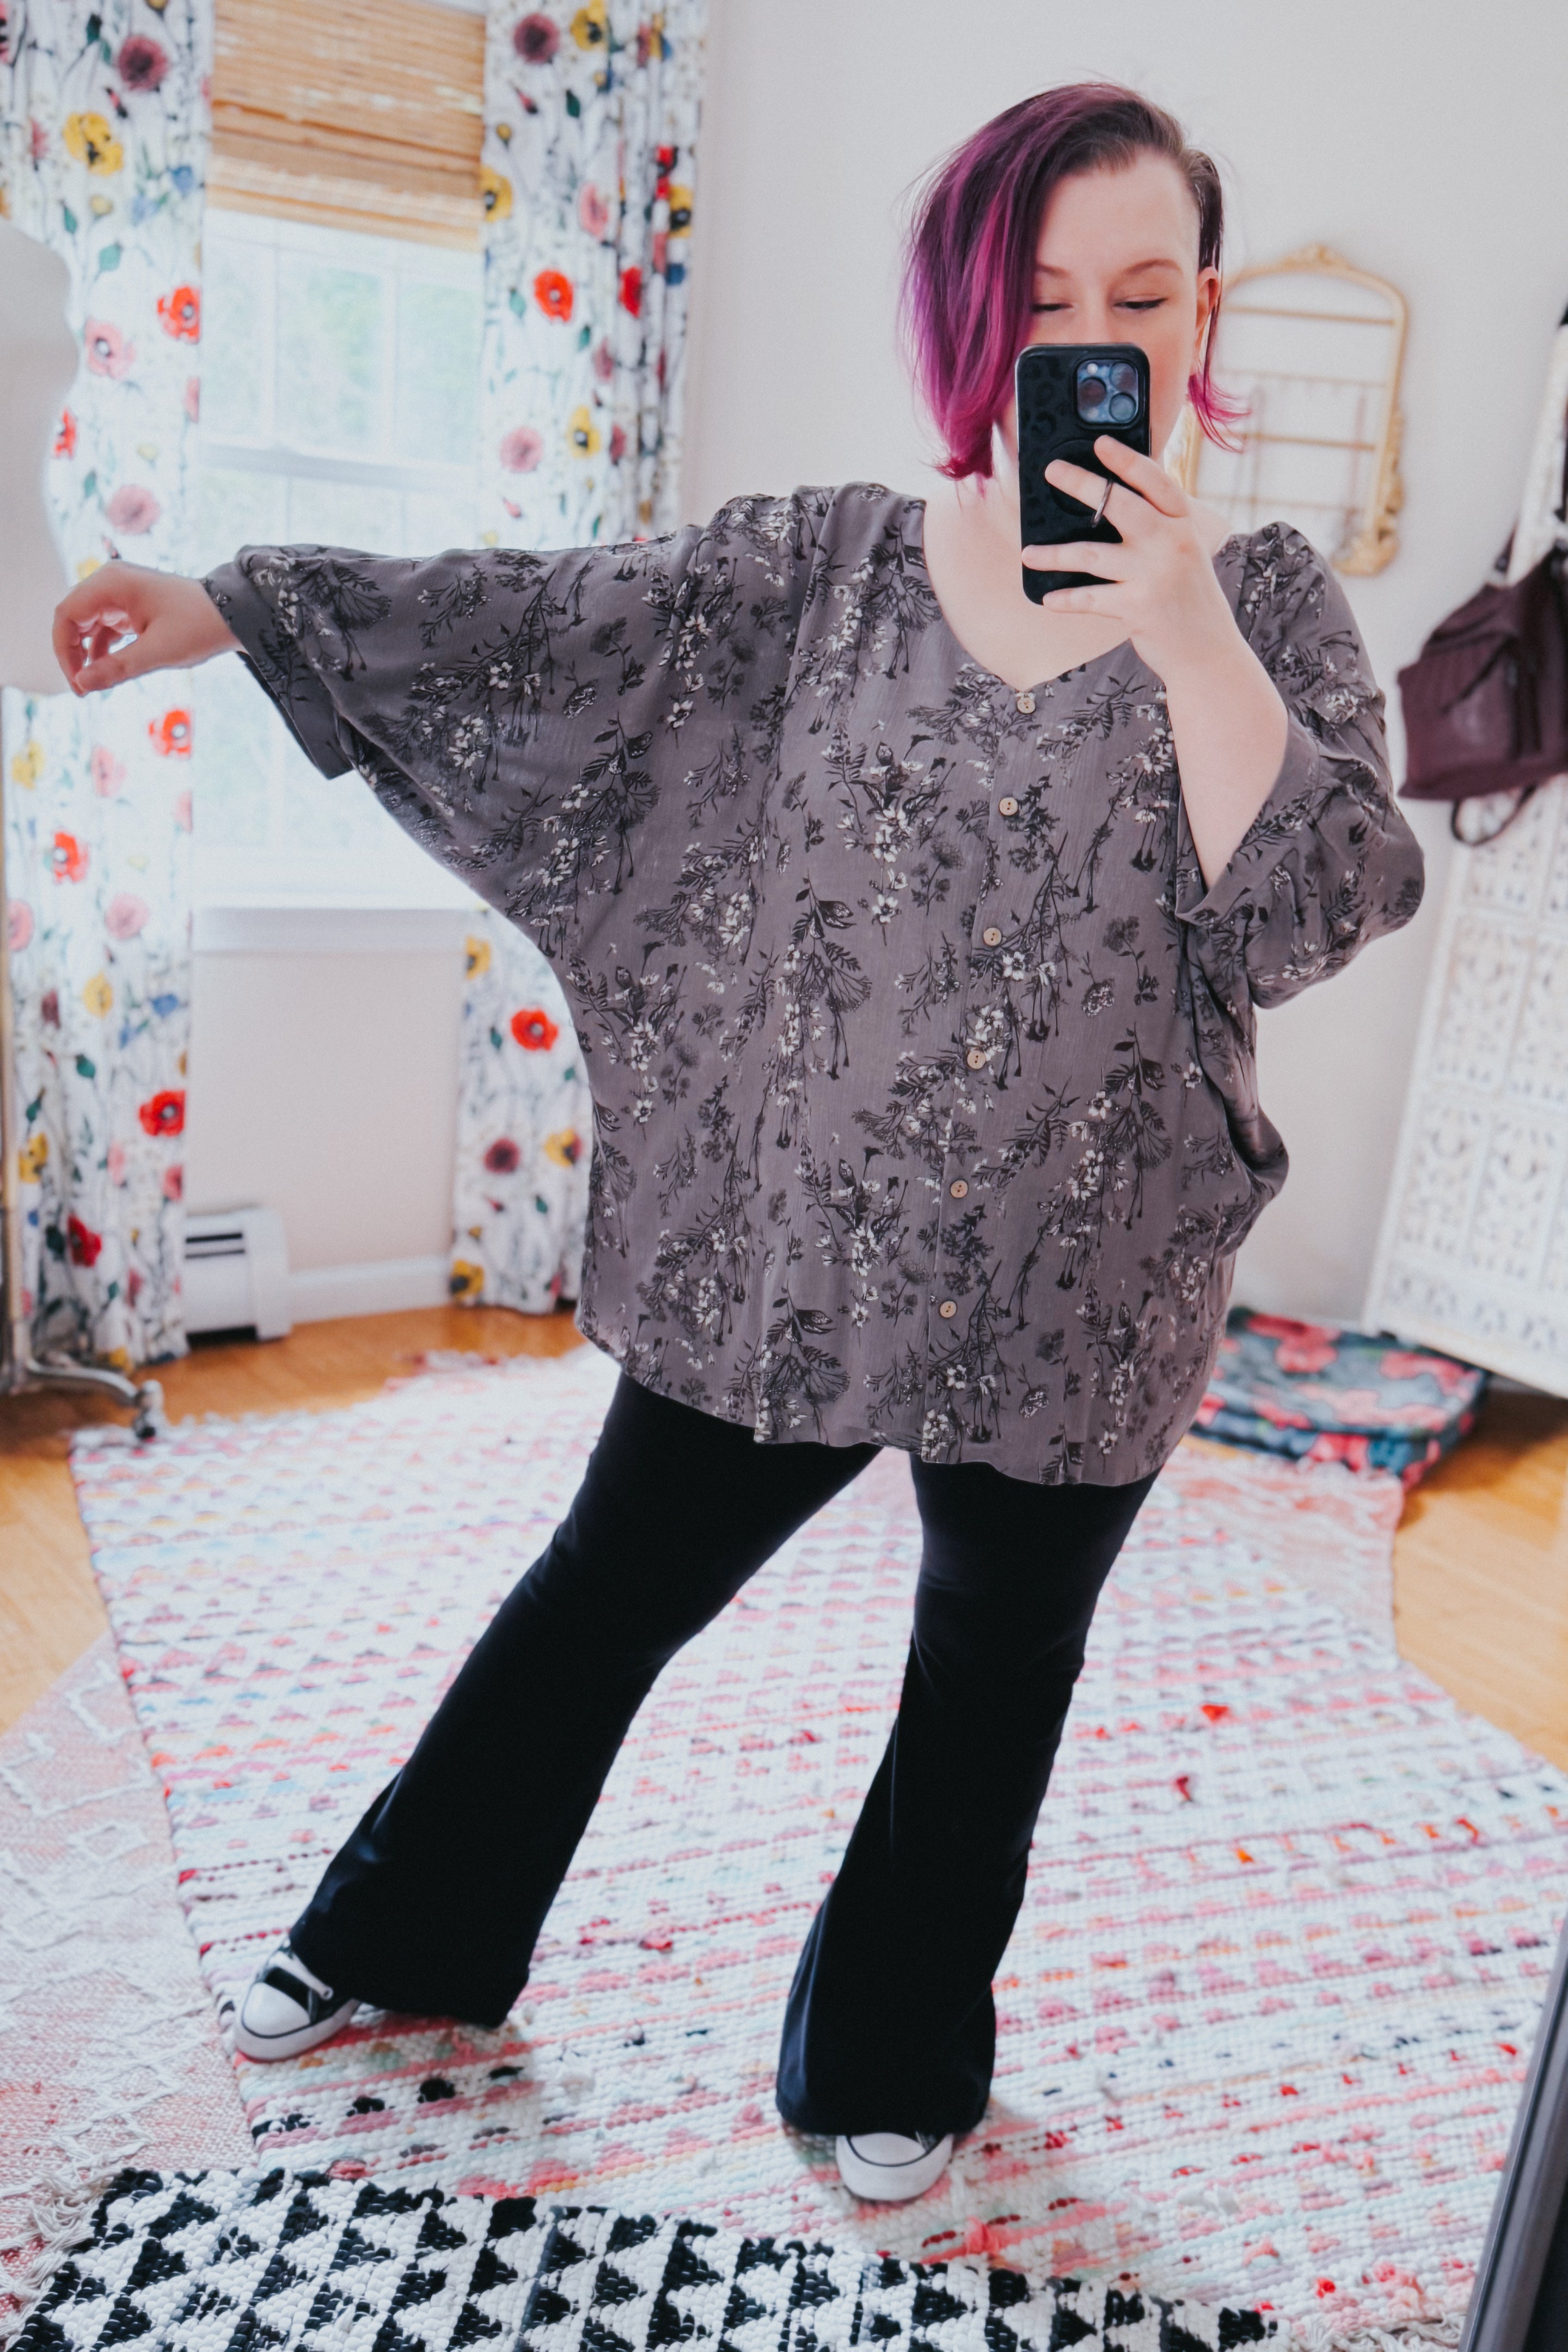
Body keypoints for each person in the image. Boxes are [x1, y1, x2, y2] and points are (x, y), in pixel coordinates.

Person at [53, 83, 1424, 2207]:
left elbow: (1323, 904)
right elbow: (540, 619)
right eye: (1049, 294)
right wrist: (235, 603)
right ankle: (406, 1936)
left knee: (989, 1682)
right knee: (607, 1594)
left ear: (1202, 314)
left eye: (1143, 295)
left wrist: (1183, 630)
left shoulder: (1264, 609)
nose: (1100, 334)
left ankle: (887, 2052)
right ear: (976, 316)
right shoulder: (825, 568)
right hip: (795, 1253)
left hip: (1090, 1284)